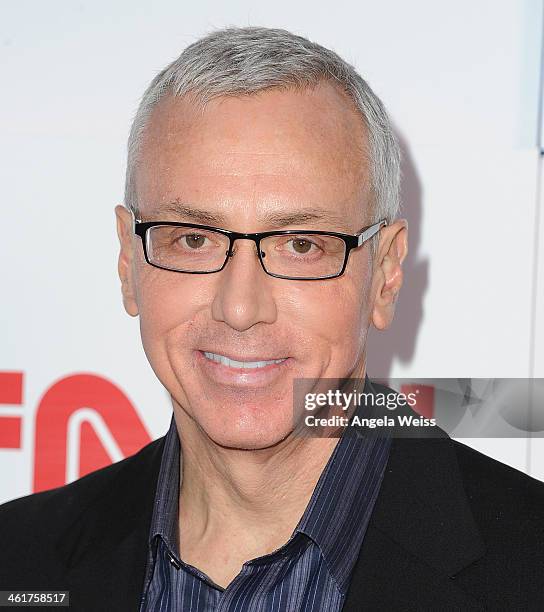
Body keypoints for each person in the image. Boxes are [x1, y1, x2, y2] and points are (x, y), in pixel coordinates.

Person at [1, 25, 543, 611]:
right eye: (192, 239)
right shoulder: (19, 559)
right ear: (129, 261)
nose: (239, 308)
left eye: (301, 245)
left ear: (384, 274)